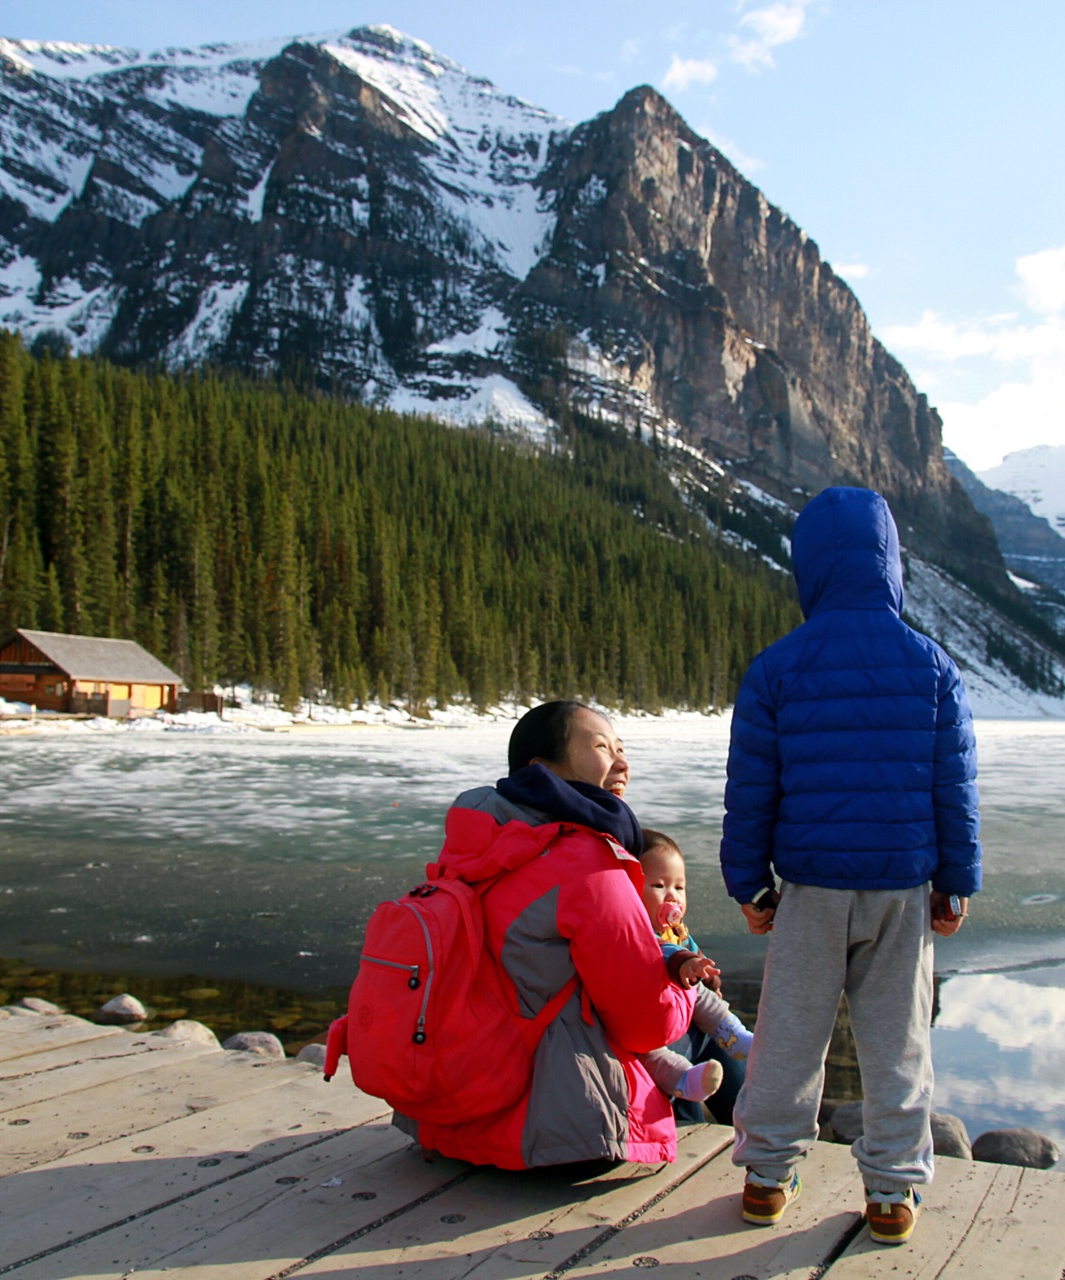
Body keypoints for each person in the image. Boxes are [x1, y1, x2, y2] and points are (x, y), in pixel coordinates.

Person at [720, 486, 980, 1246]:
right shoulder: (932, 666)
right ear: (891, 564)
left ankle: (767, 1176)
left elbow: (751, 791)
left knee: (789, 1035)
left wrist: (750, 884)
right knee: (899, 1040)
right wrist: (956, 880)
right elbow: (952, 786)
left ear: (810, 568)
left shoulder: (776, 669)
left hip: (808, 888)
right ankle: (894, 1193)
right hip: (902, 887)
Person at [398, 700, 694, 1168]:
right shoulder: (590, 863)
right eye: (600, 746)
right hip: (555, 1133)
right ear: (542, 768)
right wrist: (684, 974)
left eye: (621, 747)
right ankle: (754, 1156)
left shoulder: (474, 843)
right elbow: (647, 1023)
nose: (622, 762)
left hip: (446, 1116)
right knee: (691, 1027)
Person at [633, 831, 754, 1110]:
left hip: (680, 1011)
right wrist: (687, 963)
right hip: (649, 1023)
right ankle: (686, 1081)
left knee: (707, 999)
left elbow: (691, 949)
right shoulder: (635, 931)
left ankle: (732, 1034)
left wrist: (707, 973)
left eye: (679, 887)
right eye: (659, 885)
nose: (672, 896)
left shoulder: (676, 930)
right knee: (655, 1054)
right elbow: (668, 953)